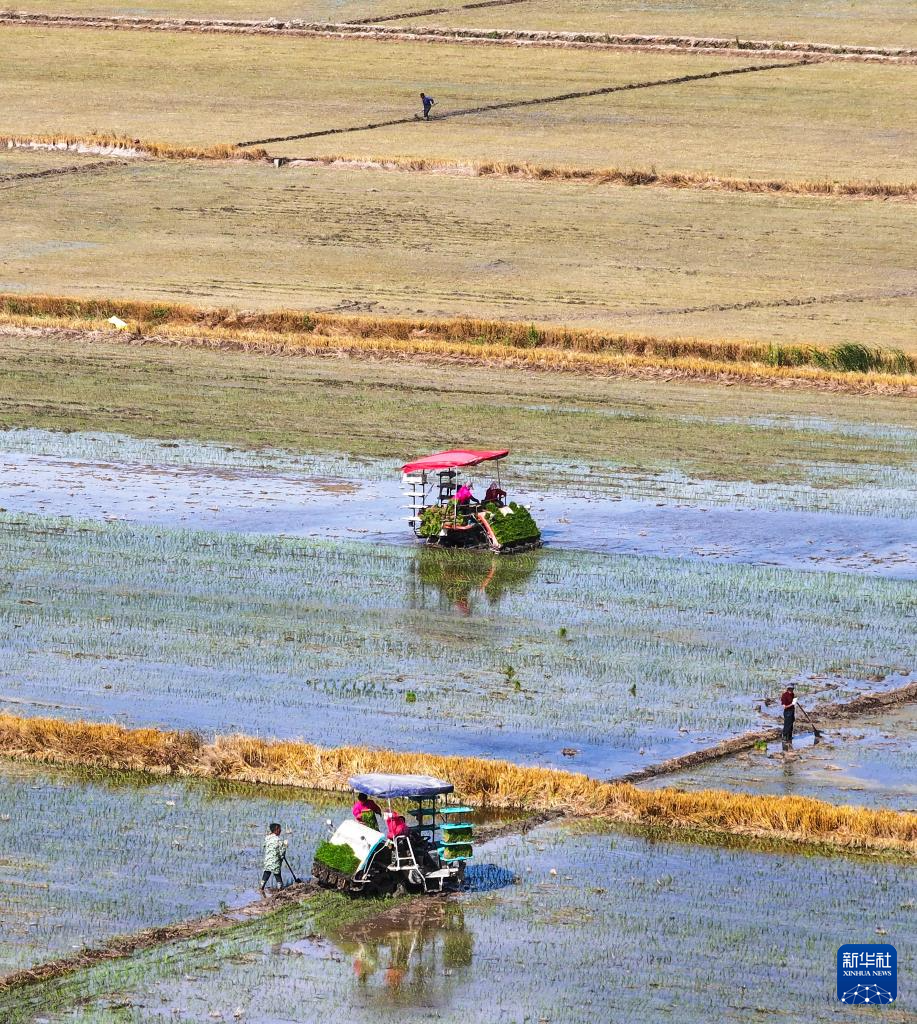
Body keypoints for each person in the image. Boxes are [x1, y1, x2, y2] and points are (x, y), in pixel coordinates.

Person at [260, 822, 287, 894]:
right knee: (278, 875)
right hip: (275, 862)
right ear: (276, 830)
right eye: (279, 829)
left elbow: (264, 845)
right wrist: (285, 846)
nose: (280, 830)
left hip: (267, 861)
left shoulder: (267, 838)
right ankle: (280, 889)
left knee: (266, 874)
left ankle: (261, 888)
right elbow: (282, 853)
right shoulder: (278, 840)